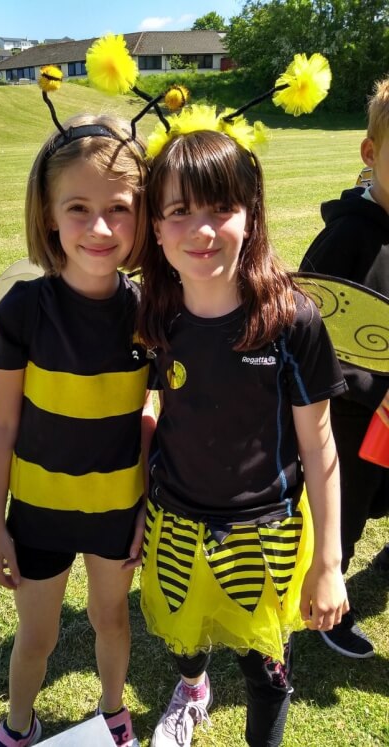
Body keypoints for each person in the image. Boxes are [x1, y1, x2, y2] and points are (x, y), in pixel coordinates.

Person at [137, 124, 349, 747]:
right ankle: (193, 688)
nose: (201, 231)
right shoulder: (156, 312)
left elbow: (320, 448)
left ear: (251, 214)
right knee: (186, 633)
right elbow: (150, 411)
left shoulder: (290, 319)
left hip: (266, 535)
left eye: (221, 208)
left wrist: (330, 565)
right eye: (178, 212)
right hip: (173, 521)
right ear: (154, 226)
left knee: (265, 674)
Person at [0, 111, 153, 747]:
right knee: (39, 635)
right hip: (40, 511)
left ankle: (114, 711)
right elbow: (3, 424)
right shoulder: (24, 308)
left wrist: (142, 504)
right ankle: (19, 723)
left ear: (142, 215)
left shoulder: (148, 312)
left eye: (120, 207)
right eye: (77, 208)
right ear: (48, 214)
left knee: (111, 620)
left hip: (115, 509)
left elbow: (148, 416)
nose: (100, 227)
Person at [299, 76, 389, 659]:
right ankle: (329, 600)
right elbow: (310, 317)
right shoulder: (348, 236)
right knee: (349, 504)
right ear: (371, 153)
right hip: (355, 409)